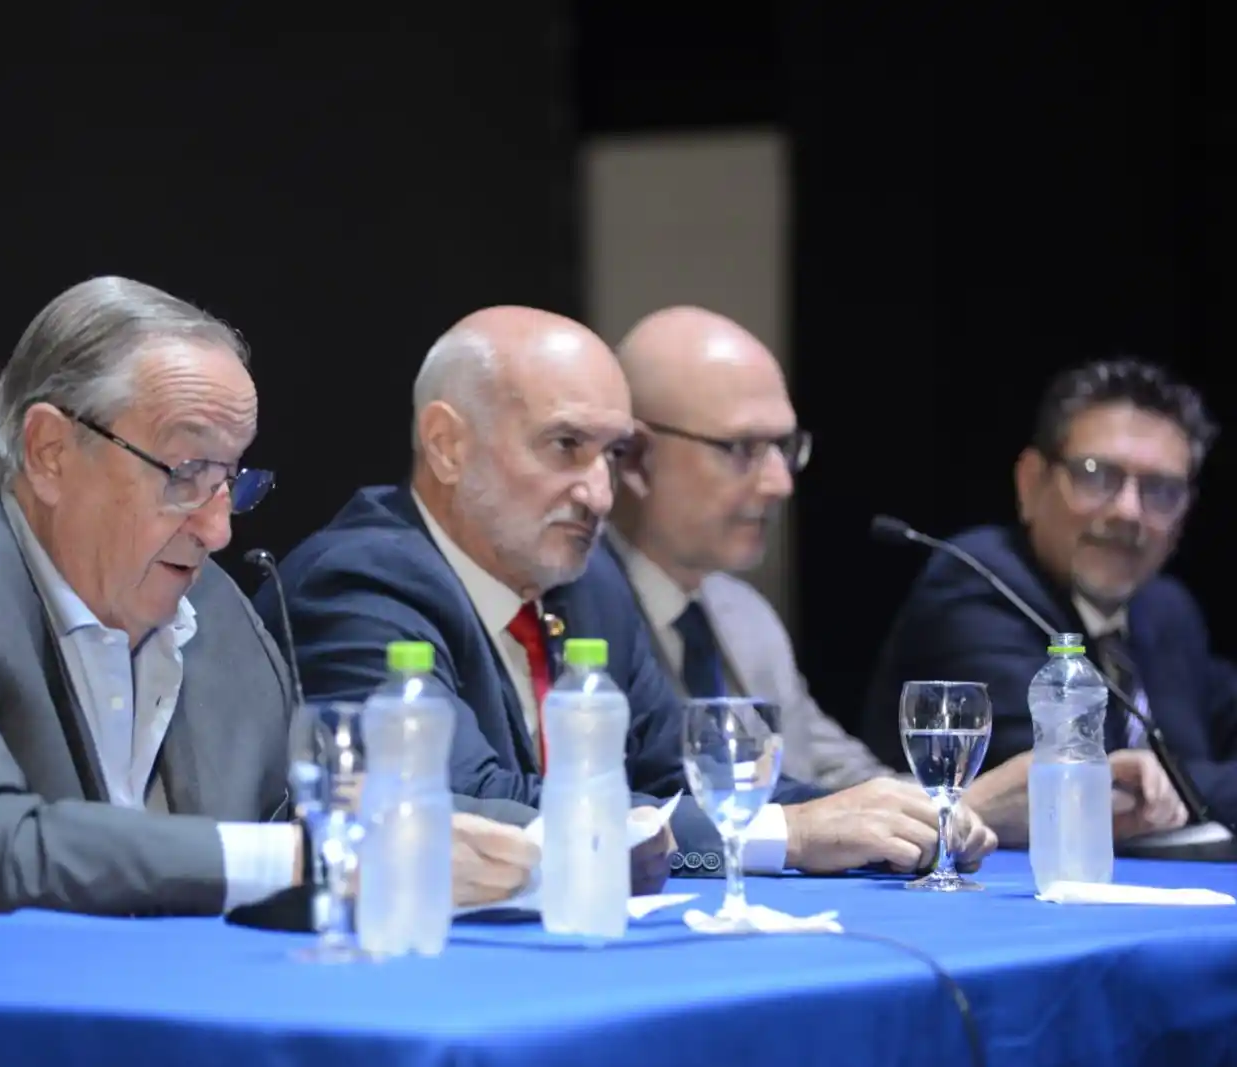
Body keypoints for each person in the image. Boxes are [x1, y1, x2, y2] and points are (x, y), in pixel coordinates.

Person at [0, 276, 538, 928]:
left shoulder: (211, 606)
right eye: (186, 472)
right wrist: (311, 858)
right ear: (50, 452)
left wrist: (559, 833)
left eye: (230, 480)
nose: (218, 530)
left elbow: (321, 809)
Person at [267, 305, 993, 879]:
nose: (599, 493)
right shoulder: (358, 582)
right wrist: (788, 834)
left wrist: (878, 815)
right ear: (447, 445)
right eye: (565, 445)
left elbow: (680, 774)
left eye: (611, 454)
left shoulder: (589, 583)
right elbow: (458, 803)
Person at [608, 305, 996, 869]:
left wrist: (952, 810)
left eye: (784, 448)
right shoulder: (570, 612)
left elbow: (835, 776)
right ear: (636, 457)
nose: (780, 483)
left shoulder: (743, 614)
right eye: (741, 448)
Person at [862, 357, 1233, 840]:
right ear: (1031, 482)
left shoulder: (1164, 608)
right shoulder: (977, 582)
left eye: (1161, 490)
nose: (1129, 511)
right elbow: (1083, 783)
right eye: (1096, 474)